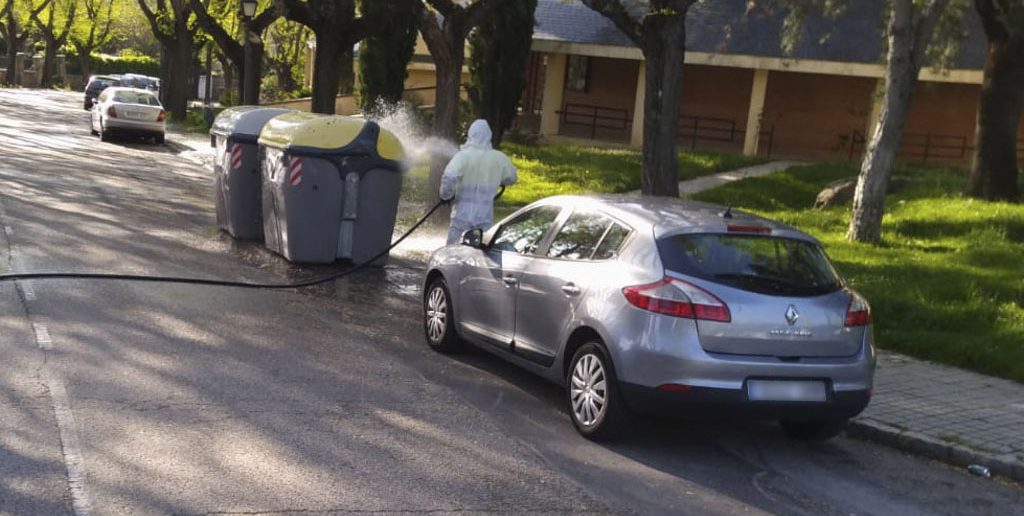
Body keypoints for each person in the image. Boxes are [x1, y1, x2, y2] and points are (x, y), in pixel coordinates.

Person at [439, 119, 518, 244]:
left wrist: (446, 196)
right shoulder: (499, 158)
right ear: (489, 136)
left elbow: (449, 176)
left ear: (470, 134)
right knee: (481, 253)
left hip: (462, 213)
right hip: (484, 214)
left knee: (453, 252)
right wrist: (498, 177)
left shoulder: (463, 156)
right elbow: (512, 178)